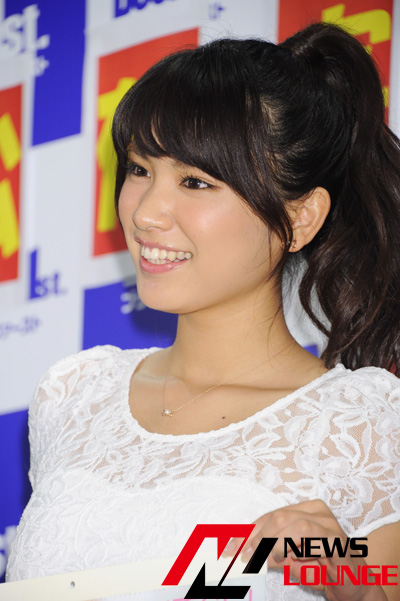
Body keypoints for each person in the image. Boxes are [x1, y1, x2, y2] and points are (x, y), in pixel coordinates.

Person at [6, 22, 400, 601]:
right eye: (139, 169)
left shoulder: (362, 423)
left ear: (300, 218)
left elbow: (376, 584)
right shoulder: (72, 395)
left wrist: (348, 579)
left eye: (194, 181)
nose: (146, 213)